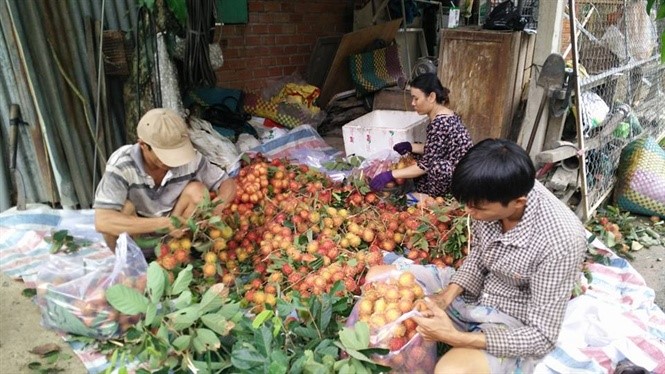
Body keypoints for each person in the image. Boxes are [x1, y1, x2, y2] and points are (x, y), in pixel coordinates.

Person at [369, 139, 587, 373]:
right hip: (475, 293)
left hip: (510, 318)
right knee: (377, 277)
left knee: (451, 371)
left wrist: (456, 338)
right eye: (468, 205)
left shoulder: (561, 241)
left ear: (518, 203)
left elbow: (541, 337)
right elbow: (480, 256)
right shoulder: (490, 195)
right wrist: (446, 297)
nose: (469, 213)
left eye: (478, 209)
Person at [93, 108, 237, 252]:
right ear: (143, 145)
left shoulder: (190, 159)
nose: (174, 160)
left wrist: (219, 206)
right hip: (137, 234)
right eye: (165, 154)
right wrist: (160, 223)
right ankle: (127, 262)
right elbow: (102, 221)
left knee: (197, 190)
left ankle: (178, 252)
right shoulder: (122, 165)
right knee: (125, 208)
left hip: (175, 233)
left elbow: (227, 182)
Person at [369, 73, 473, 197]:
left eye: (416, 98)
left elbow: (425, 166)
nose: (413, 103)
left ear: (431, 97)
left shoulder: (440, 123)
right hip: (459, 170)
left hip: (462, 180)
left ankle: (436, 199)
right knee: (416, 153)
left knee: (436, 167)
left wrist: (391, 174)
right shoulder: (447, 114)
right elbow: (437, 149)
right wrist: (410, 146)